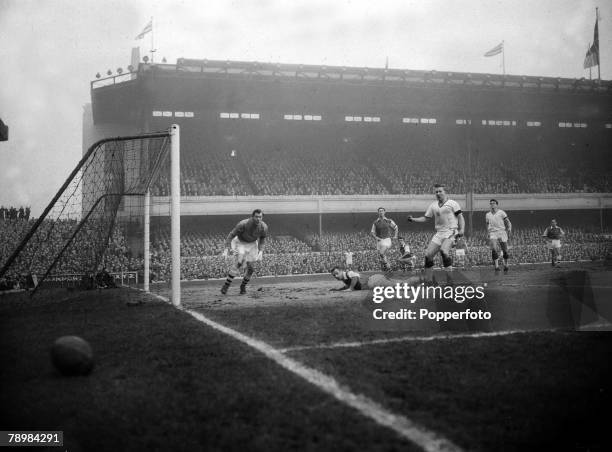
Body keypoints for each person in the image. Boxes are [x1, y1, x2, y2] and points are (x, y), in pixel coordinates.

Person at [407, 184, 465, 282]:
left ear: (444, 192)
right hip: (439, 233)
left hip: (451, 231)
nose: (438, 193)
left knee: (444, 251)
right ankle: (430, 280)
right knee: (428, 255)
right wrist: (413, 219)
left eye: (440, 191)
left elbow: (460, 217)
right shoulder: (433, 205)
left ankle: (450, 280)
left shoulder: (452, 203)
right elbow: (425, 218)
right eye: (436, 192)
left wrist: (462, 229)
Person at [221, 209, 268, 294]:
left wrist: (261, 251)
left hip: (252, 244)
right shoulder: (243, 224)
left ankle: (243, 286)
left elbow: (262, 239)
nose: (258, 219)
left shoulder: (264, 227)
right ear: (252, 217)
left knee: (251, 269)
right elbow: (231, 235)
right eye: (256, 217)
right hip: (240, 242)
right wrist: (226, 248)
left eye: (260, 217)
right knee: (239, 263)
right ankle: (226, 286)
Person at [485, 199, 512, 272]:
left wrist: (509, 228)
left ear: (497, 204)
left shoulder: (501, 212)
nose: (492, 205)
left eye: (493, 203)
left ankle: (506, 265)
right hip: (493, 232)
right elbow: (487, 224)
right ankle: (496, 267)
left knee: (505, 250)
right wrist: (488, 232)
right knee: (494, 249)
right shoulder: (487, 214)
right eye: (491, 203)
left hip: (502, 231)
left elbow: (508, 222)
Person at [370, 207, 398, 273]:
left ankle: (388, 267)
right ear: (378, 212)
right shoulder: (375, 222)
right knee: (382, 255)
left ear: (384, 212)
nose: (381, 212)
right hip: (379, 241)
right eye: (380, 211)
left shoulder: (389, 220)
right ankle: (388, 267)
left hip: (387, 239)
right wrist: (376, 237)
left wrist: (395, 235)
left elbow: (396, 227)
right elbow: (372, 232)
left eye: (382, 211)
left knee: (382, 253)